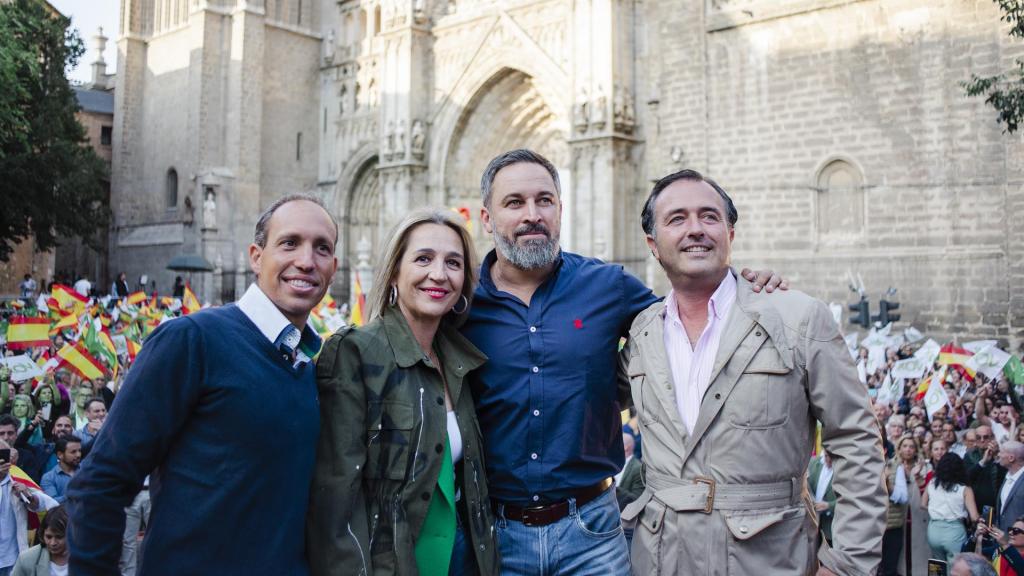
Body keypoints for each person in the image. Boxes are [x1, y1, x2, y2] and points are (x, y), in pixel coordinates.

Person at [459, 150, 784, 575]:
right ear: (487, 218)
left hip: (592, 533)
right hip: (495, 539)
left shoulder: (607, 285)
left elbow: (688, 320)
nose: (532, 215)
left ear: (560, 209)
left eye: (545, 201)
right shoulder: (460, 304)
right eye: (514, 203)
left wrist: (740, 282)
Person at [620, 169, 886, 575]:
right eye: (677, 219)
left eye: (709, 217)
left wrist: (847, 564)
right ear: (653, 244)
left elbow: (856, 441)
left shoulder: (798, 319)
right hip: (661, 559)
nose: (696, 229)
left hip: (770, 561)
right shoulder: (640, 333)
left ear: (730, 233)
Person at [65, 194, 339, 575]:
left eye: (321, 248)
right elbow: (99, 485)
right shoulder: (191, 340)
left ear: (334, 267)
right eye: (289, 243)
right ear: (256, 256)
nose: (306, 261)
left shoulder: (314, 367)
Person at [308, 209, 499, 575]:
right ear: (395, 271)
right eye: (423, 258)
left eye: (453, 263)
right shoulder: (356, 352)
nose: (439, 274)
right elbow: (335, 499)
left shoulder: (462, 360)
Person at [0, 439, 59, 576]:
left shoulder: (17, 478)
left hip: (14, 558)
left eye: (3, 454)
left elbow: (47, 505)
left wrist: (28, 496)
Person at [923, 453, 979, 565]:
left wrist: (936, 510)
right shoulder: (964, 489)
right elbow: (974, 517)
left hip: (934, 530)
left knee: (937, 566)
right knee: (955, 567)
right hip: (955, 531)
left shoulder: (932, 483)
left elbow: (922, 504)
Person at [880, 436, 919, 576]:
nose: (908, 449)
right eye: (905, 446)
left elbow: (903, 497)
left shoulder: (896, 468)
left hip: (893, 525)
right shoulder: (877, 466)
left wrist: (888, 485)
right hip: (876, 524)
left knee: (889, 568)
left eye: (911, 446)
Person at [11, 505, 68, 576]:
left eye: (59, 537)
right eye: (48, 537)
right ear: (42, 534)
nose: (53, 543)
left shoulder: (84, 557)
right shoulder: (26, 559)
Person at [807, 452, 837, 547]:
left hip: (830, 528)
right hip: (811, 525)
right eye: (827, 456)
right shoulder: (813, 462)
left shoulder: (845, 470)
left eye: (832, 457)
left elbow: (849, 500)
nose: (828, 460)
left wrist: (829, 506)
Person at [39, 437, 80, 504]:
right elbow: (52, 503)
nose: (78, 455)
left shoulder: (88, 471)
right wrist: (74, 494)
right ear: (60, 455)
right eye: (73, 452)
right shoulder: (49, 478)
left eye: (79, 451)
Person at [997, 442, 1024, 532]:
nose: (998, 455)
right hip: (1002, 538)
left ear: (1011, 458)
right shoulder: (1006, 477)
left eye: (1001, 452)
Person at [615, 433, 643, 511]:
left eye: (615, 443)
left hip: (622, 514)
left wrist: (613, 487)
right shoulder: (612, 463)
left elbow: (637, 499)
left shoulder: (638, 468)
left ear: (625, 447)